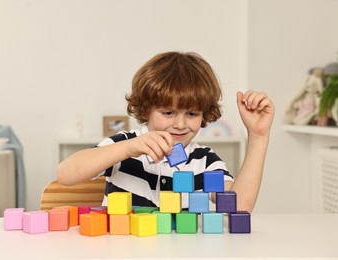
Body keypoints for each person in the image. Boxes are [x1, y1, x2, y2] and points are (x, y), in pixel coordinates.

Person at [57, 51, 275, 213]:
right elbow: (65, 174)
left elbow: (239, 207)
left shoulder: (203, 161)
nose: (180, 124)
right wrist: (127, 149)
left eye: (191, 114)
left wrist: (258, 136)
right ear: (146, 110)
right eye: (168, 112)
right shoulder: (124, 145)